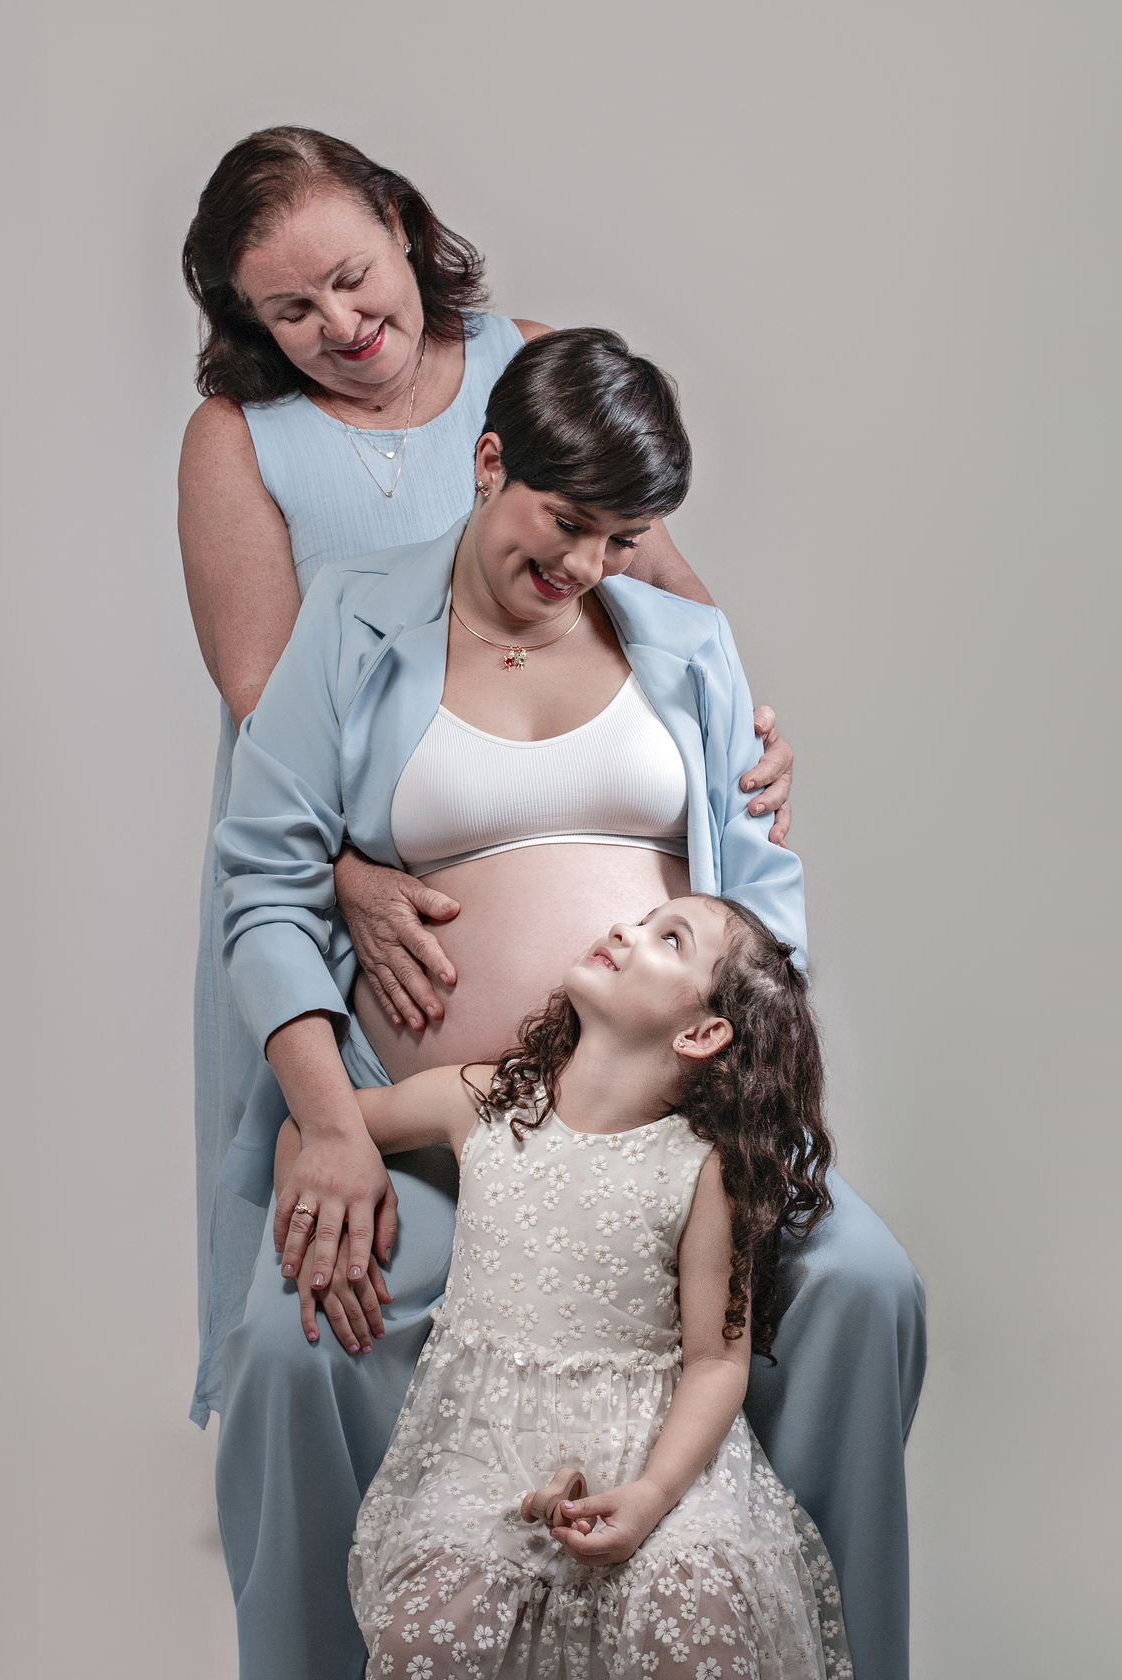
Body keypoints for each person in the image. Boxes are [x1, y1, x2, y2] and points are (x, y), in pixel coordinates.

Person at [213, 328, 923, 1680]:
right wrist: (334, 1125)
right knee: (291, 1349)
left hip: (670, 1137)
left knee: (865, 1286)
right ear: (490, 464)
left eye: (622, 539)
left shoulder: (687, 645)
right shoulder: (353, 620)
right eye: (567, 524)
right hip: (437, 1134)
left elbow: (764, 910)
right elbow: (263, 890)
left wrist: (736, 1118)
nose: (589, 565)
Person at [179, 124, 796, 1434]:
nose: (340, 323)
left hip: (630, 1051)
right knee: (318, 1280)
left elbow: (662, 590)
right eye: (290, 310)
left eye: (351, 276)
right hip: (354, 859)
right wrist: (345, 878)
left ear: (401, 226)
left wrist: (740, 735)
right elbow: (265, 702)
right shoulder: (241, 438)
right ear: (247, 321)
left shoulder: (526, 365)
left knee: (812, 1284)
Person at [273, 893, 855, 1680]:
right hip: (487, 1454)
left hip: (651, 1453)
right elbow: (318, 1126)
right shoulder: (481, 1100)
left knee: (697, 1619)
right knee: (425, 1641)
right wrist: (312, 1222)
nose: (624, 929)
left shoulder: (704, 1169)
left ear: (701, 1033)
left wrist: (652, 1494)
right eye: (642, 920)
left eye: (669, 939)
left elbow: (718, 1361)